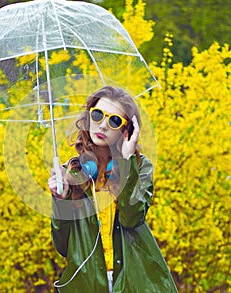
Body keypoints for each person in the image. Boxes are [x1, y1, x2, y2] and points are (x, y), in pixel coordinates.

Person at [48, 86, 178, 292]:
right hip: (88, 285)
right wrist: (60, 200)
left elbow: (131, 217)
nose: (103, 126)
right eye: (97, 115)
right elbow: (63, 246)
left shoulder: (139, 167)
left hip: (133, 281)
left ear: (127, 131)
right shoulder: (70, 174)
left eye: (114, 120)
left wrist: (126, 164)